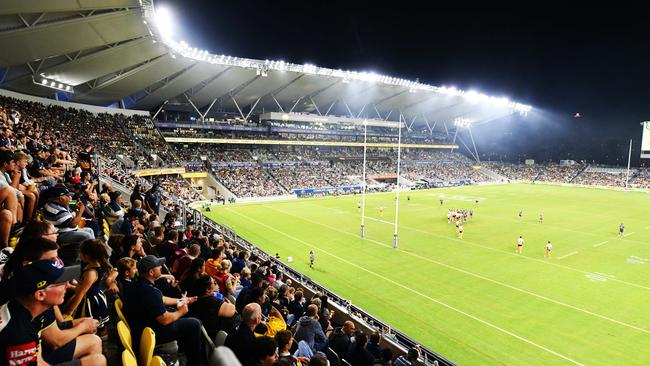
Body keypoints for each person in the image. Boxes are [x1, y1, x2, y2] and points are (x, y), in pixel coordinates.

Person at [0, 258, 106, 366]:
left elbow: (39, 359)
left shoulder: (26, 310)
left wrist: (78, 323)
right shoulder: (19, 335)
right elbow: (54, 342)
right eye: (60, 283)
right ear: (40, 294)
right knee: (97, 361)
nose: (67, 285)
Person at [122, 255, 202, 365]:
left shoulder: (139, 283)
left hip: (141, 327)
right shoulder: (149, 291)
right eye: (158, 266)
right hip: (149, 332)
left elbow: (162, 299)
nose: (161, 267)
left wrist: (181, 300)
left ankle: (183, 348)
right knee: (195, 324)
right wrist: (180, 312)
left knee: (184, 318)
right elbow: (164, 319)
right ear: (151, 272)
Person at [63, 240, 112, 331]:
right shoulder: (90, 265)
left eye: (80, 252)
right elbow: (85, 285)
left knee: (85, 324)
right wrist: (74, 285)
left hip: (89, 300)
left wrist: (69, 312)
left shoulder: (91, 272)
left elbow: (82, 292)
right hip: (89, 294)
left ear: (87, 256)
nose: (79, 254)